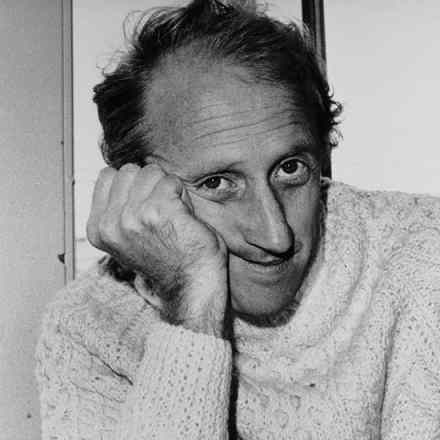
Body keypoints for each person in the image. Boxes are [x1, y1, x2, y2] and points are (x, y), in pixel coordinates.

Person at [35, 0, 440, 438]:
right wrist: (192, 308)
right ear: (139, 191)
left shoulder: (424, 254)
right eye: (216, 183)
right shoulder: (90, 324)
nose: (276, 235)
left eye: (290, 169)